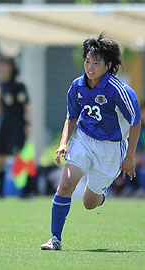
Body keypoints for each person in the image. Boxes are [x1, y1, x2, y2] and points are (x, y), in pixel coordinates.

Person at [40, 32, 141, 250]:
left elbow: (135, 122)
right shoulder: (77, 86)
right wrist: (63, 142)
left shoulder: (119, 91)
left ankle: (100, 193)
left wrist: (130, 156)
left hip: (112, 149)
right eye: (87, 61)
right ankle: (55, 239)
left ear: (108, 65)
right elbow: (71, 116)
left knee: (89, 203)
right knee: (65, 185)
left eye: (96, 63)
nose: (90, 67)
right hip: (84, 139)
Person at [0, 56, 30, 198]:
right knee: (1, 155)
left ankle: (26, 190)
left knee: (19, 155)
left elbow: (26, 105)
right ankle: (0, 191)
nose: (2, 68)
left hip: (17, 124)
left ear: (11, 67)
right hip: (4, 123)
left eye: (5, 65)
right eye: (0, 65)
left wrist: (28, 124)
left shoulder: (19, 85)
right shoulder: (1, 84)